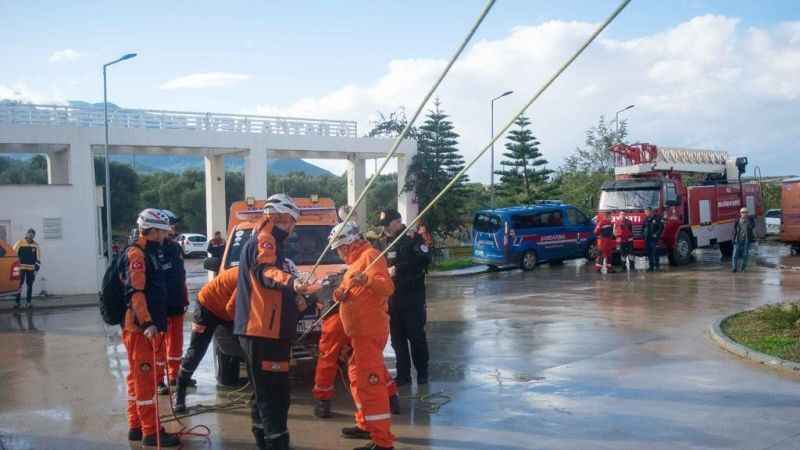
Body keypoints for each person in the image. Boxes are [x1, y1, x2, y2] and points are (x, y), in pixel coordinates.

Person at [228, 193, 320, 450]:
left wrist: (301, 298)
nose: (292, 228)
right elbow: (265, 273)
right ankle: (277, 442)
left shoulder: (263, 239)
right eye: (291, 222)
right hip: (264, 331)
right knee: (275, 395)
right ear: (279, 217)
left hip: (261, 329)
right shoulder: (266, 239)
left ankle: (265, 440)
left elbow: (270, 289)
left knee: (263, 394)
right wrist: (294, 282)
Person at [329, 221, 396, 450]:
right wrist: (342, 295)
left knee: (371, 384)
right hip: (360, 333)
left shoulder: (370, 256)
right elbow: (358, 292)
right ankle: (365, 424)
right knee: (357, 376)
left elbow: (386, 287)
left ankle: (382, 442)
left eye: (338, 249)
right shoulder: (356, 262)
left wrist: (365, 280)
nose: (338, 254)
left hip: (368, 331)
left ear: (347, 244)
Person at [121, 209, 180, 447]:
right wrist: (147, 323)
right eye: (163, 232)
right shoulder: (138, 254)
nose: (166, 236)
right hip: (139, 329)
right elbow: (136, 293)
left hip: (139, 327)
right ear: (153, 231)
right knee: (144, 380)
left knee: (136, 378)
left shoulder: (150, 252)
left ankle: (135, 426)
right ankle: (150, 433)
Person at [312, 266, 399, 420]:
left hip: (335, 320)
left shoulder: (325, 284)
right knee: (371, 361)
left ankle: (322, 402)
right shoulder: (363, 273)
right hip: (359, 319)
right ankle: (392, 398)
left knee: (327, 360)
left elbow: (310, 300)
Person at [374, 208, 431, 387]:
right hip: (392, 299)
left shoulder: (411, 238)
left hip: (412, 297)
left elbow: (425, 259)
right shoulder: (381, 242)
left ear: (397, 222)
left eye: (387, 225)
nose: (385, 229)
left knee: (416, 337)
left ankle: (422, 373)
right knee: (398, 340)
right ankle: (403, 375)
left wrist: (398, 269)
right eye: (383, 226)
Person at [174, 266, 239, 413]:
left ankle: (258, 393)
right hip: (206, 306)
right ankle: (180, 393)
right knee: (197, 350)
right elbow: (232, 309)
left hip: (226, 310)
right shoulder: (247, 278)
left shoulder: (257, 276)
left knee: (248, 347)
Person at [154, 210, 189, 395]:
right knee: (158, 345)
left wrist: (184, 298)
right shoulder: (152, 250)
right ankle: (159, 379)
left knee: (176, 342)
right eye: (172, 225)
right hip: (160, 306)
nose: (174, 229)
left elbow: (179, 276)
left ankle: (174, 375)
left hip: (176, 302)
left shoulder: (174, 247)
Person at [13, 228, 41, 309]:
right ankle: (17, 303)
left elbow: (38, 258)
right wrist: (15, 268)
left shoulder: (36, 245)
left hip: (31, 270)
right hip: (20, 268)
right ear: (26, 234)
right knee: (19, 286)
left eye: (32, 234)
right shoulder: (19, 243)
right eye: (29, 234)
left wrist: (36, 270)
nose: (31, 236)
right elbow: (13, 254)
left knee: (30, 286)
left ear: (34, 236)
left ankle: (28, 303)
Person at [732, 207, 756, 273]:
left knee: (745, 255)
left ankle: (743, 268)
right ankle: (734, 268)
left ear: (747, 213)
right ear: (740, 213)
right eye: (742, 212)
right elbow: (734, 231)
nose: (744, 214)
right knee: (735, 255)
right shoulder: (737, 221)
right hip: (738, 240)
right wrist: (733, 239)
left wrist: (748, 221)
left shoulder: (750, 220)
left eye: (745, 212)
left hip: (746, 241)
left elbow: (752, 227)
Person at [643, 207, 664, 272]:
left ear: (650, 212)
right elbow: (643, 228)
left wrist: (656, 234)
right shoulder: (645, 219)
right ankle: (651, 267)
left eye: (646, 212)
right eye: (645, 212)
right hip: (647, 239)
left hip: (654, 239)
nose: (645, 213)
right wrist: (642, 234)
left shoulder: (657, 218)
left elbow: (661, 228)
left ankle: (657, 267)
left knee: (655, 252)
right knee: (649, 253)